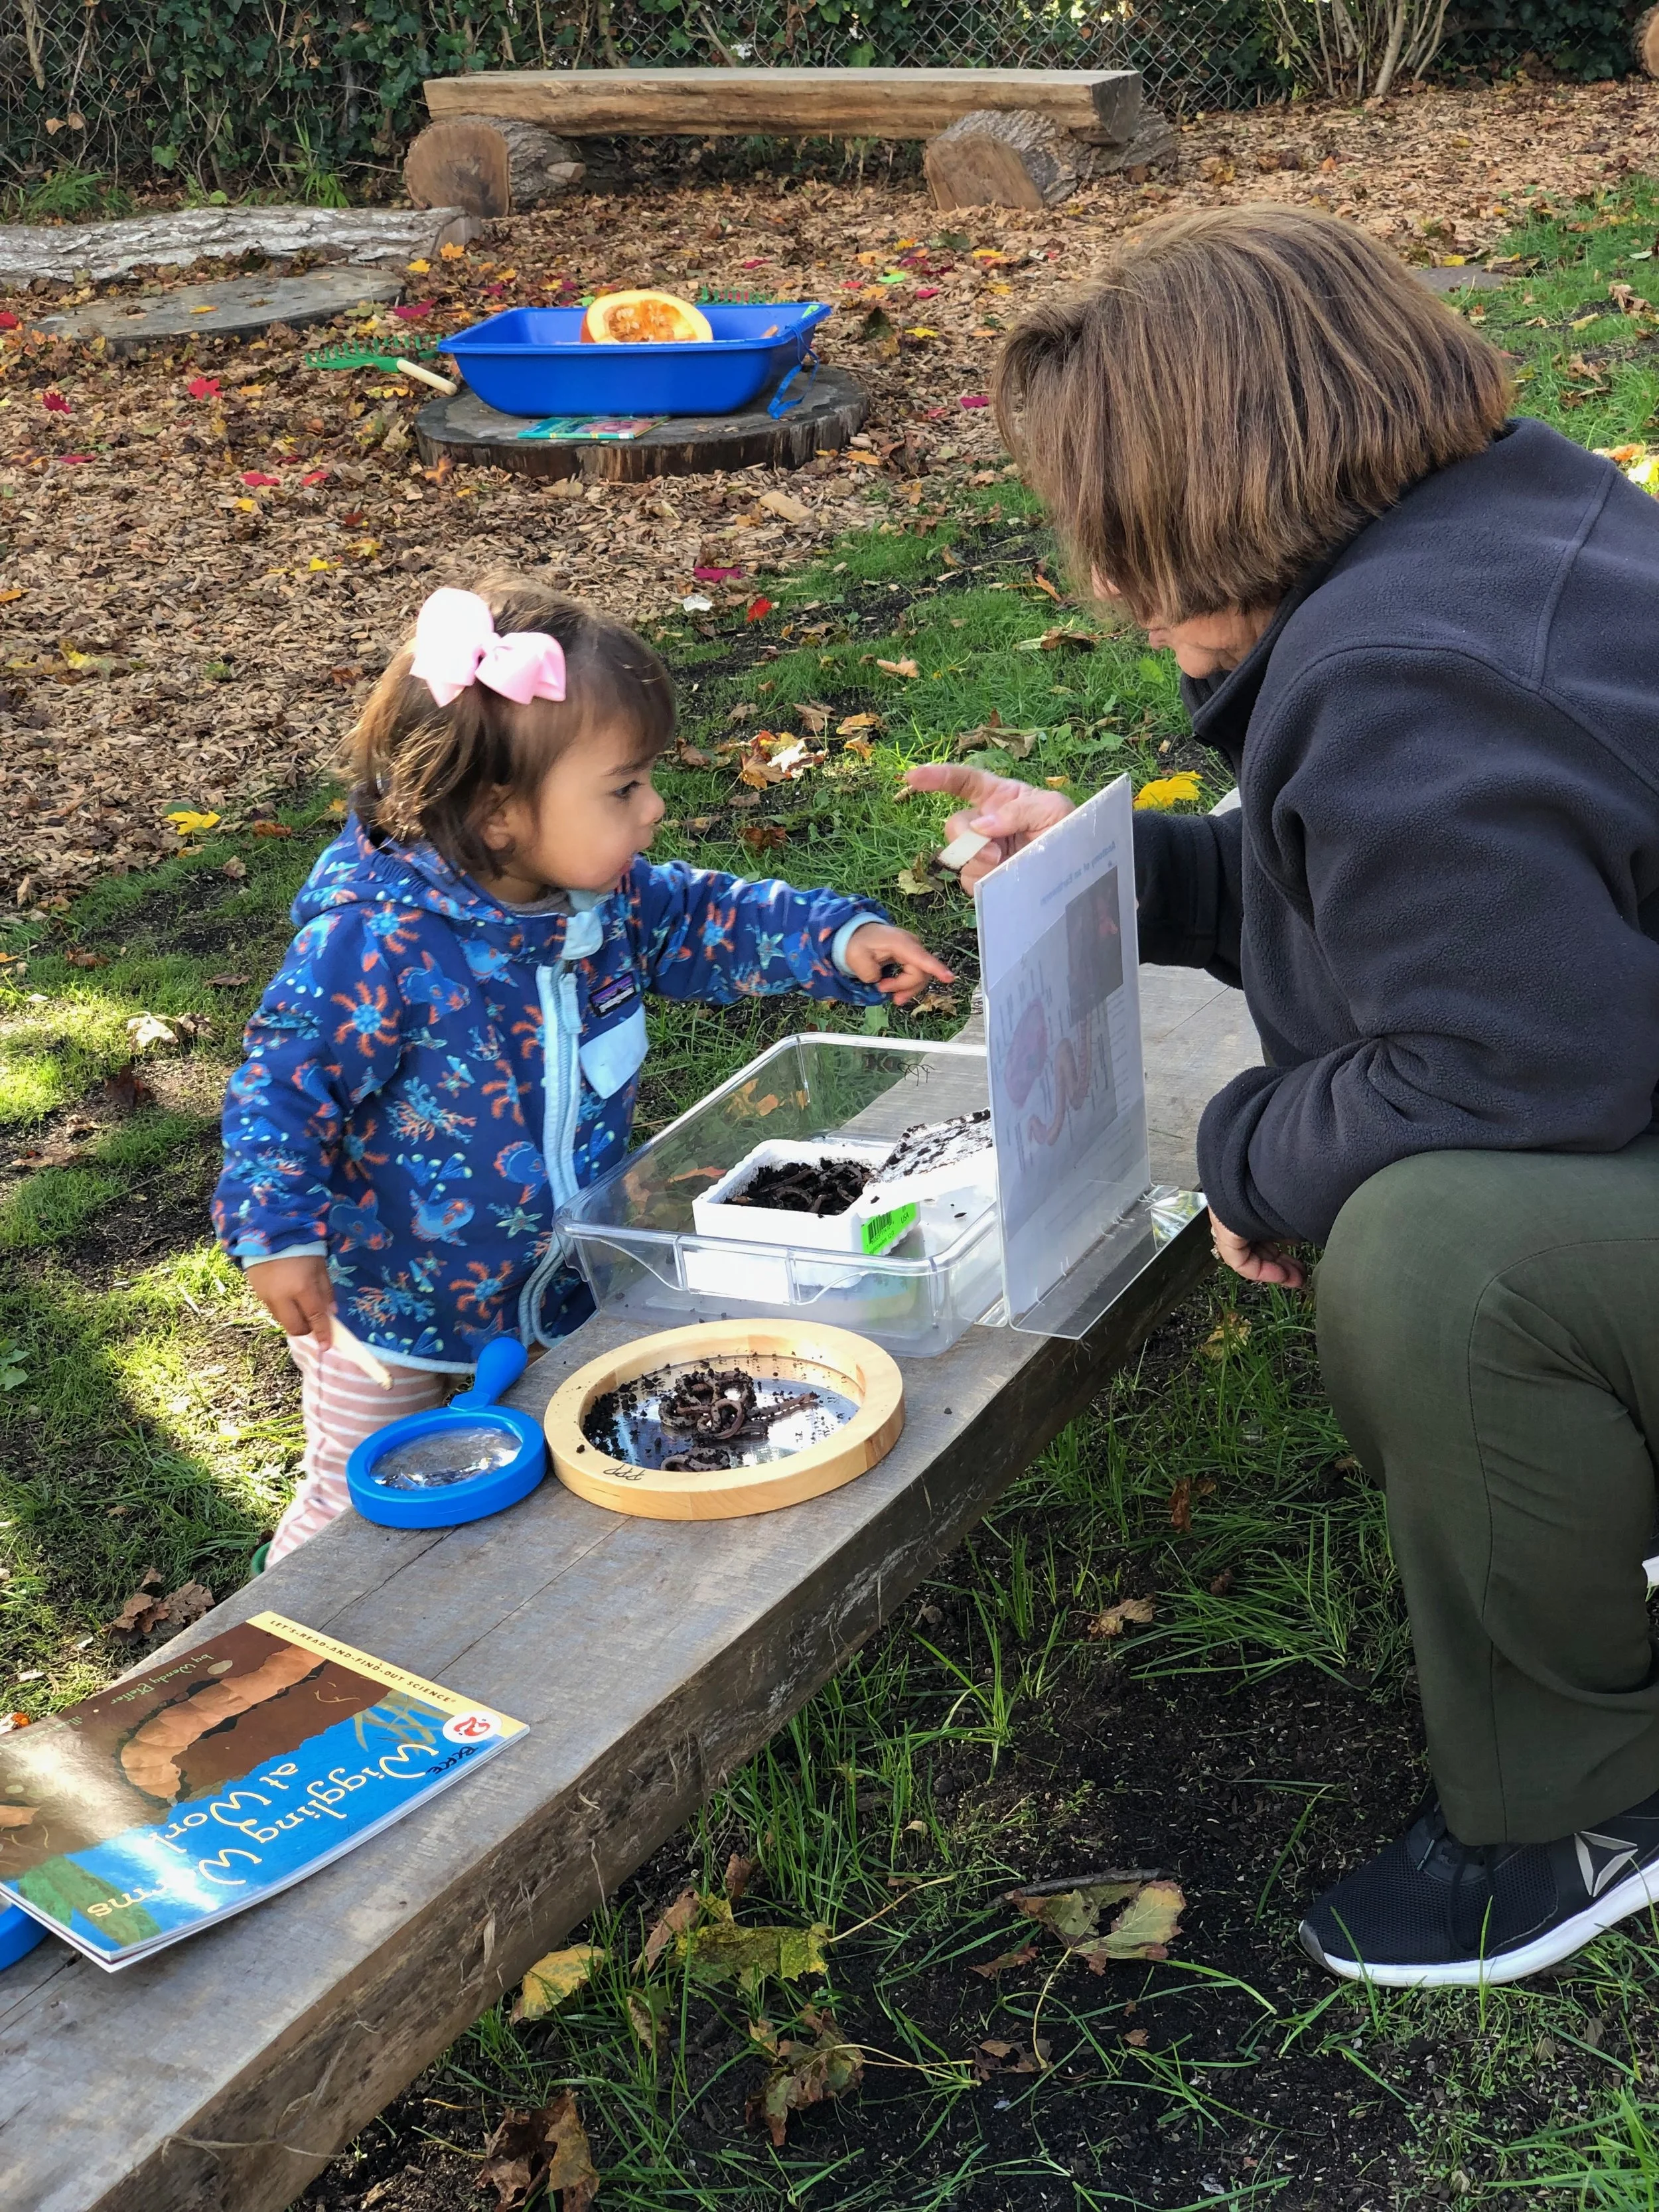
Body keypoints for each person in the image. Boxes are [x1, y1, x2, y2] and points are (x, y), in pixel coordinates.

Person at [911, 205, 1659, 1988]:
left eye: (1102, 519)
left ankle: (1582, 1803)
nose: (1095, 573)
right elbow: (1433, 874)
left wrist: (1248, 1158)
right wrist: (1126, 879)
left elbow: (1518, 1059)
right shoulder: (1502, 518)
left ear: (1201, 485)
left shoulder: (1394, 668)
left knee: (1433, 1257)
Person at [215, 579, 951, 1564]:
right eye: (622, 788)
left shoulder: (602, 904)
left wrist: (837, 938)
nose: (653, 809)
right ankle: (289, 1647)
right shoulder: (376, 941)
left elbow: (713, 917)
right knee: (360, 1518)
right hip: (389, 1316)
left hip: (563, 1289)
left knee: (538, 1499)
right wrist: (275, 1231)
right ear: (498, 816)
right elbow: (282, 1085)